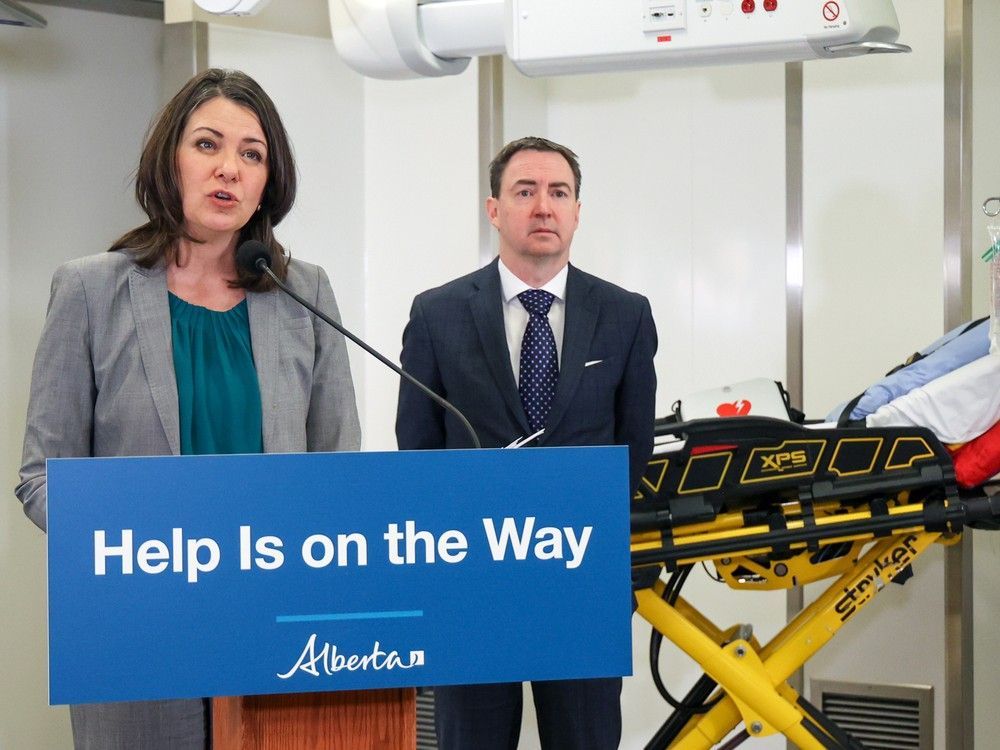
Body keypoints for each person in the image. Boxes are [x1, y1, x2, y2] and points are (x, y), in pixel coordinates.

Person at [15, 68, 360, 749]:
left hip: (278, 627)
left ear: (269, 180)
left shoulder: (305, 294)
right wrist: (143, 545)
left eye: (252, 154)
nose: (229, 168)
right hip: (136, 628)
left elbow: (338, 473)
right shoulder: (90, 290)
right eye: (208, 145)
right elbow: (42, 477)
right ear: (168, 159)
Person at [395, 136, 658, 749]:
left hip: (581, 576)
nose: (544, 207)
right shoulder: (436, 314)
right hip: (471, 582)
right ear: (494, 209)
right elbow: (418, 448)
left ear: (576, 211)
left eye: (559, 193)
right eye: (525, 191)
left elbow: (634, 448)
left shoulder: (626, 314)